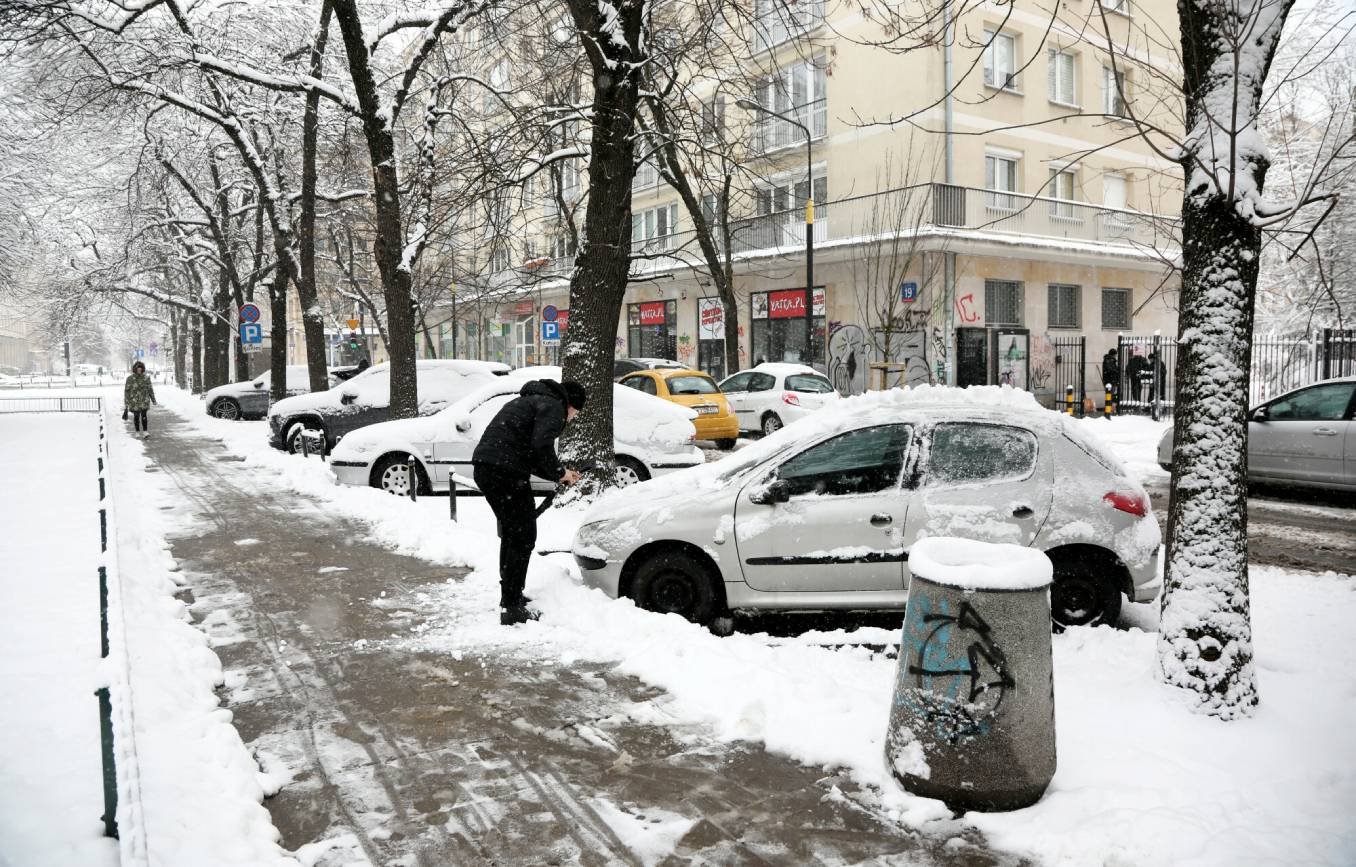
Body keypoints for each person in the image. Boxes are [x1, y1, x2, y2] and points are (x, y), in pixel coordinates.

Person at [472, 379, 587, 625]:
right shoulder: (553, 406)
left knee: (514, 535)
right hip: (505, 473)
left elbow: (531, 454)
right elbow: (541, 446)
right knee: (523, 536)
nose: (572, 419)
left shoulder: (530, 401)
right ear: (570, 405)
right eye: (575, 414)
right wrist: (559, 473)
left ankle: (510, 598)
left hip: (488, 468)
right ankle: (512, 607)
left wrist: (561, 474)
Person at [123, 361, 157, 437]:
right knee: (136, 416)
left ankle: (145, 431)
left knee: (144, 416)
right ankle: (137, 432)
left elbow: (150, 389)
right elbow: (127, 391)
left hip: (144, 400)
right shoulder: (130, 379)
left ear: (143, 369)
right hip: (134, 401)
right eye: (138, 368)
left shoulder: (146, 378)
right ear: (135, 369)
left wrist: (153, 400)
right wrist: (126, 402)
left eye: (140, 368)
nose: (139, 369)